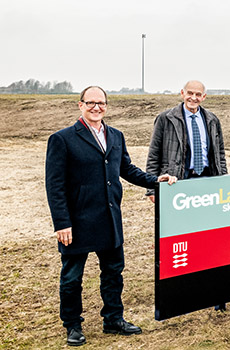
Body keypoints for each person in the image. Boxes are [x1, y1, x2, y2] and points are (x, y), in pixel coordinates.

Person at [45, 86, 177, 346]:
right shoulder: (62, 139)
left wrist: (155, 180)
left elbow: (126, 169)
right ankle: (72, 325)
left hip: (109, 219)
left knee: (114, 273)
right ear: (80, 105)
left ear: (107, 105)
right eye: (91, 102)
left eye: (101, 103)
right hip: (77, 222)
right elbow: (55, 185)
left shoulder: (116, 135)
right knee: (72, 278)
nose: (97, 107)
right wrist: (62, 223)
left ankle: (113, 319)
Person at [145, 80, 228, 311]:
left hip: (207, 184)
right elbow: (154, 153)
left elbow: (219, 154)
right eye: (189, 93)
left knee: (211, 236)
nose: (193, 97)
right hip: (178, 186)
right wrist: (152, 187)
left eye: (198, 94)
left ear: (204, 97)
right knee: (181, 240)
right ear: (182, 93)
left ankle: (214, 292)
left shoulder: (211, 119)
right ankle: (182, 289)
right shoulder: (166, 118)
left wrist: (223, 183)